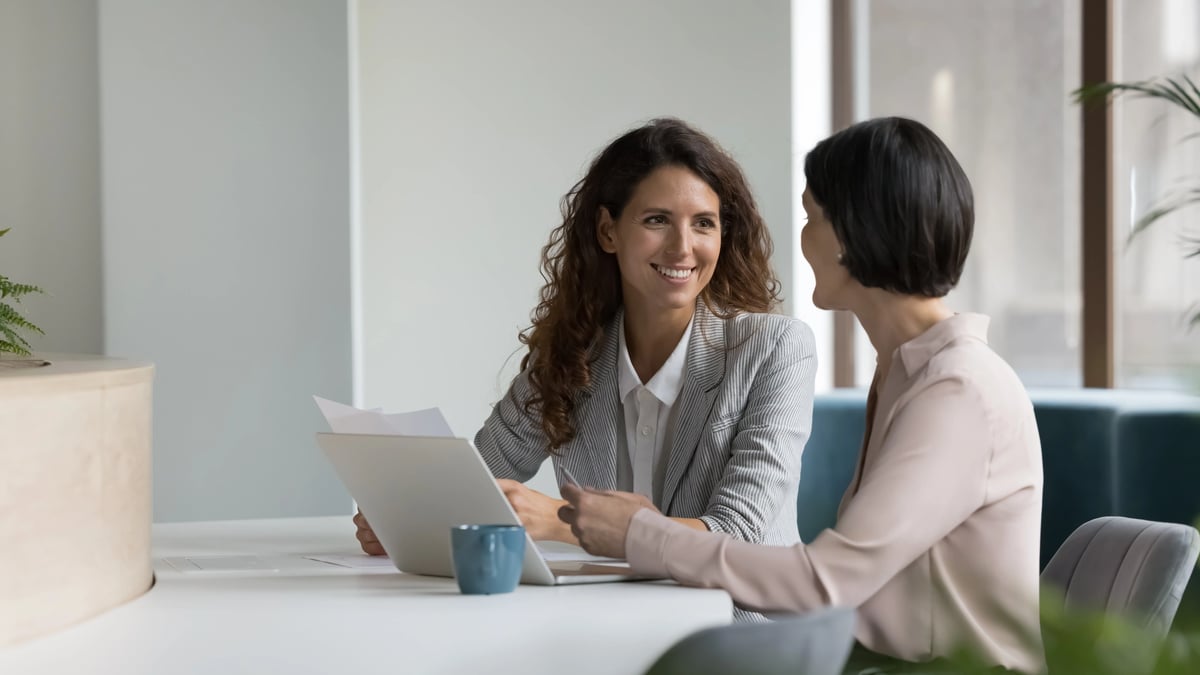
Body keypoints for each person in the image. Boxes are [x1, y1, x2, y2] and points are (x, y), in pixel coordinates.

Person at [559, 117, 1045, 673]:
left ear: (854, 236)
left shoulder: (958, 391)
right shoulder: (908, 374)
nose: (803, 236)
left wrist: (640, 534)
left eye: (813, 216)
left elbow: (826, 581)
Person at [354, 118, 817, 590]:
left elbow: (740, 537)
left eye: (703, 224)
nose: (683, 247)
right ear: (607, 231)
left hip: (735, 630)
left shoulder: (775, 349)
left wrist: (560, 521)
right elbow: (482, 481)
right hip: (602, 623)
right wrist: (409, 516)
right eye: (657, 220)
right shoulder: (571, 354)